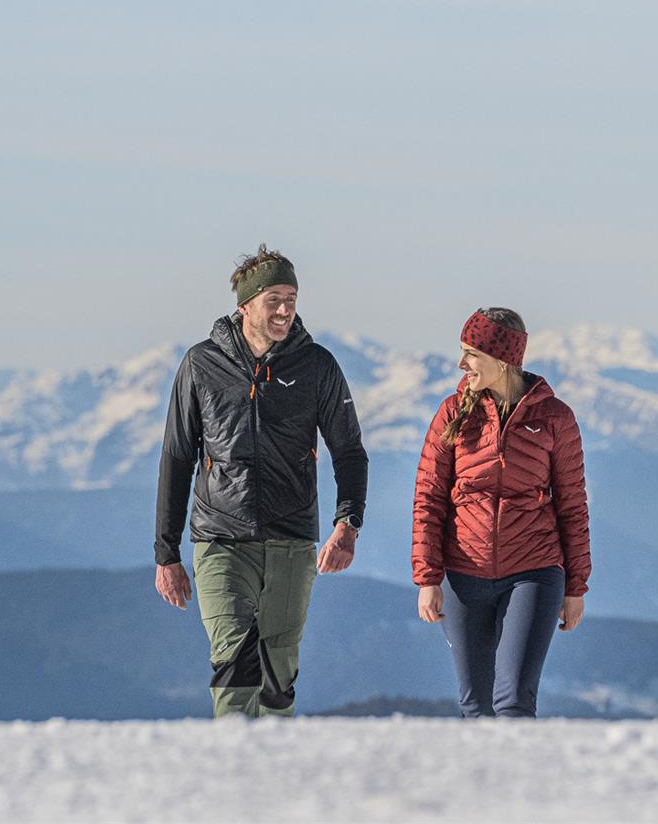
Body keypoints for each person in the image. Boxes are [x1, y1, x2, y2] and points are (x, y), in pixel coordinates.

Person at [153, 244, 368, 718]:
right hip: (220, 539)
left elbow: (349, 451)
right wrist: (166, 554)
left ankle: (275, 778)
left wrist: (347, 523)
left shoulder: (317, 366)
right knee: (233, 665)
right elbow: (176, 457)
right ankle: (232, 777)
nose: (285, 309)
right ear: (245, 305)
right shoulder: (201, 365)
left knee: (278, 676)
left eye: (291, 297)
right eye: (274, 298)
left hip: (292, 539)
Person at [412, 307, 591, 718]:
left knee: (513, 702)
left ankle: (518, 783)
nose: (462, 364)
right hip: (463, 573)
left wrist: (575, 586)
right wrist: (427, 576)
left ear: (502, 358)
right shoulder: (453, 412)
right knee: (475, 705)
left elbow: (572, 506)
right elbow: (429, 498)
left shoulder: (555, 419)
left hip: (534, 572)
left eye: (472, 353)